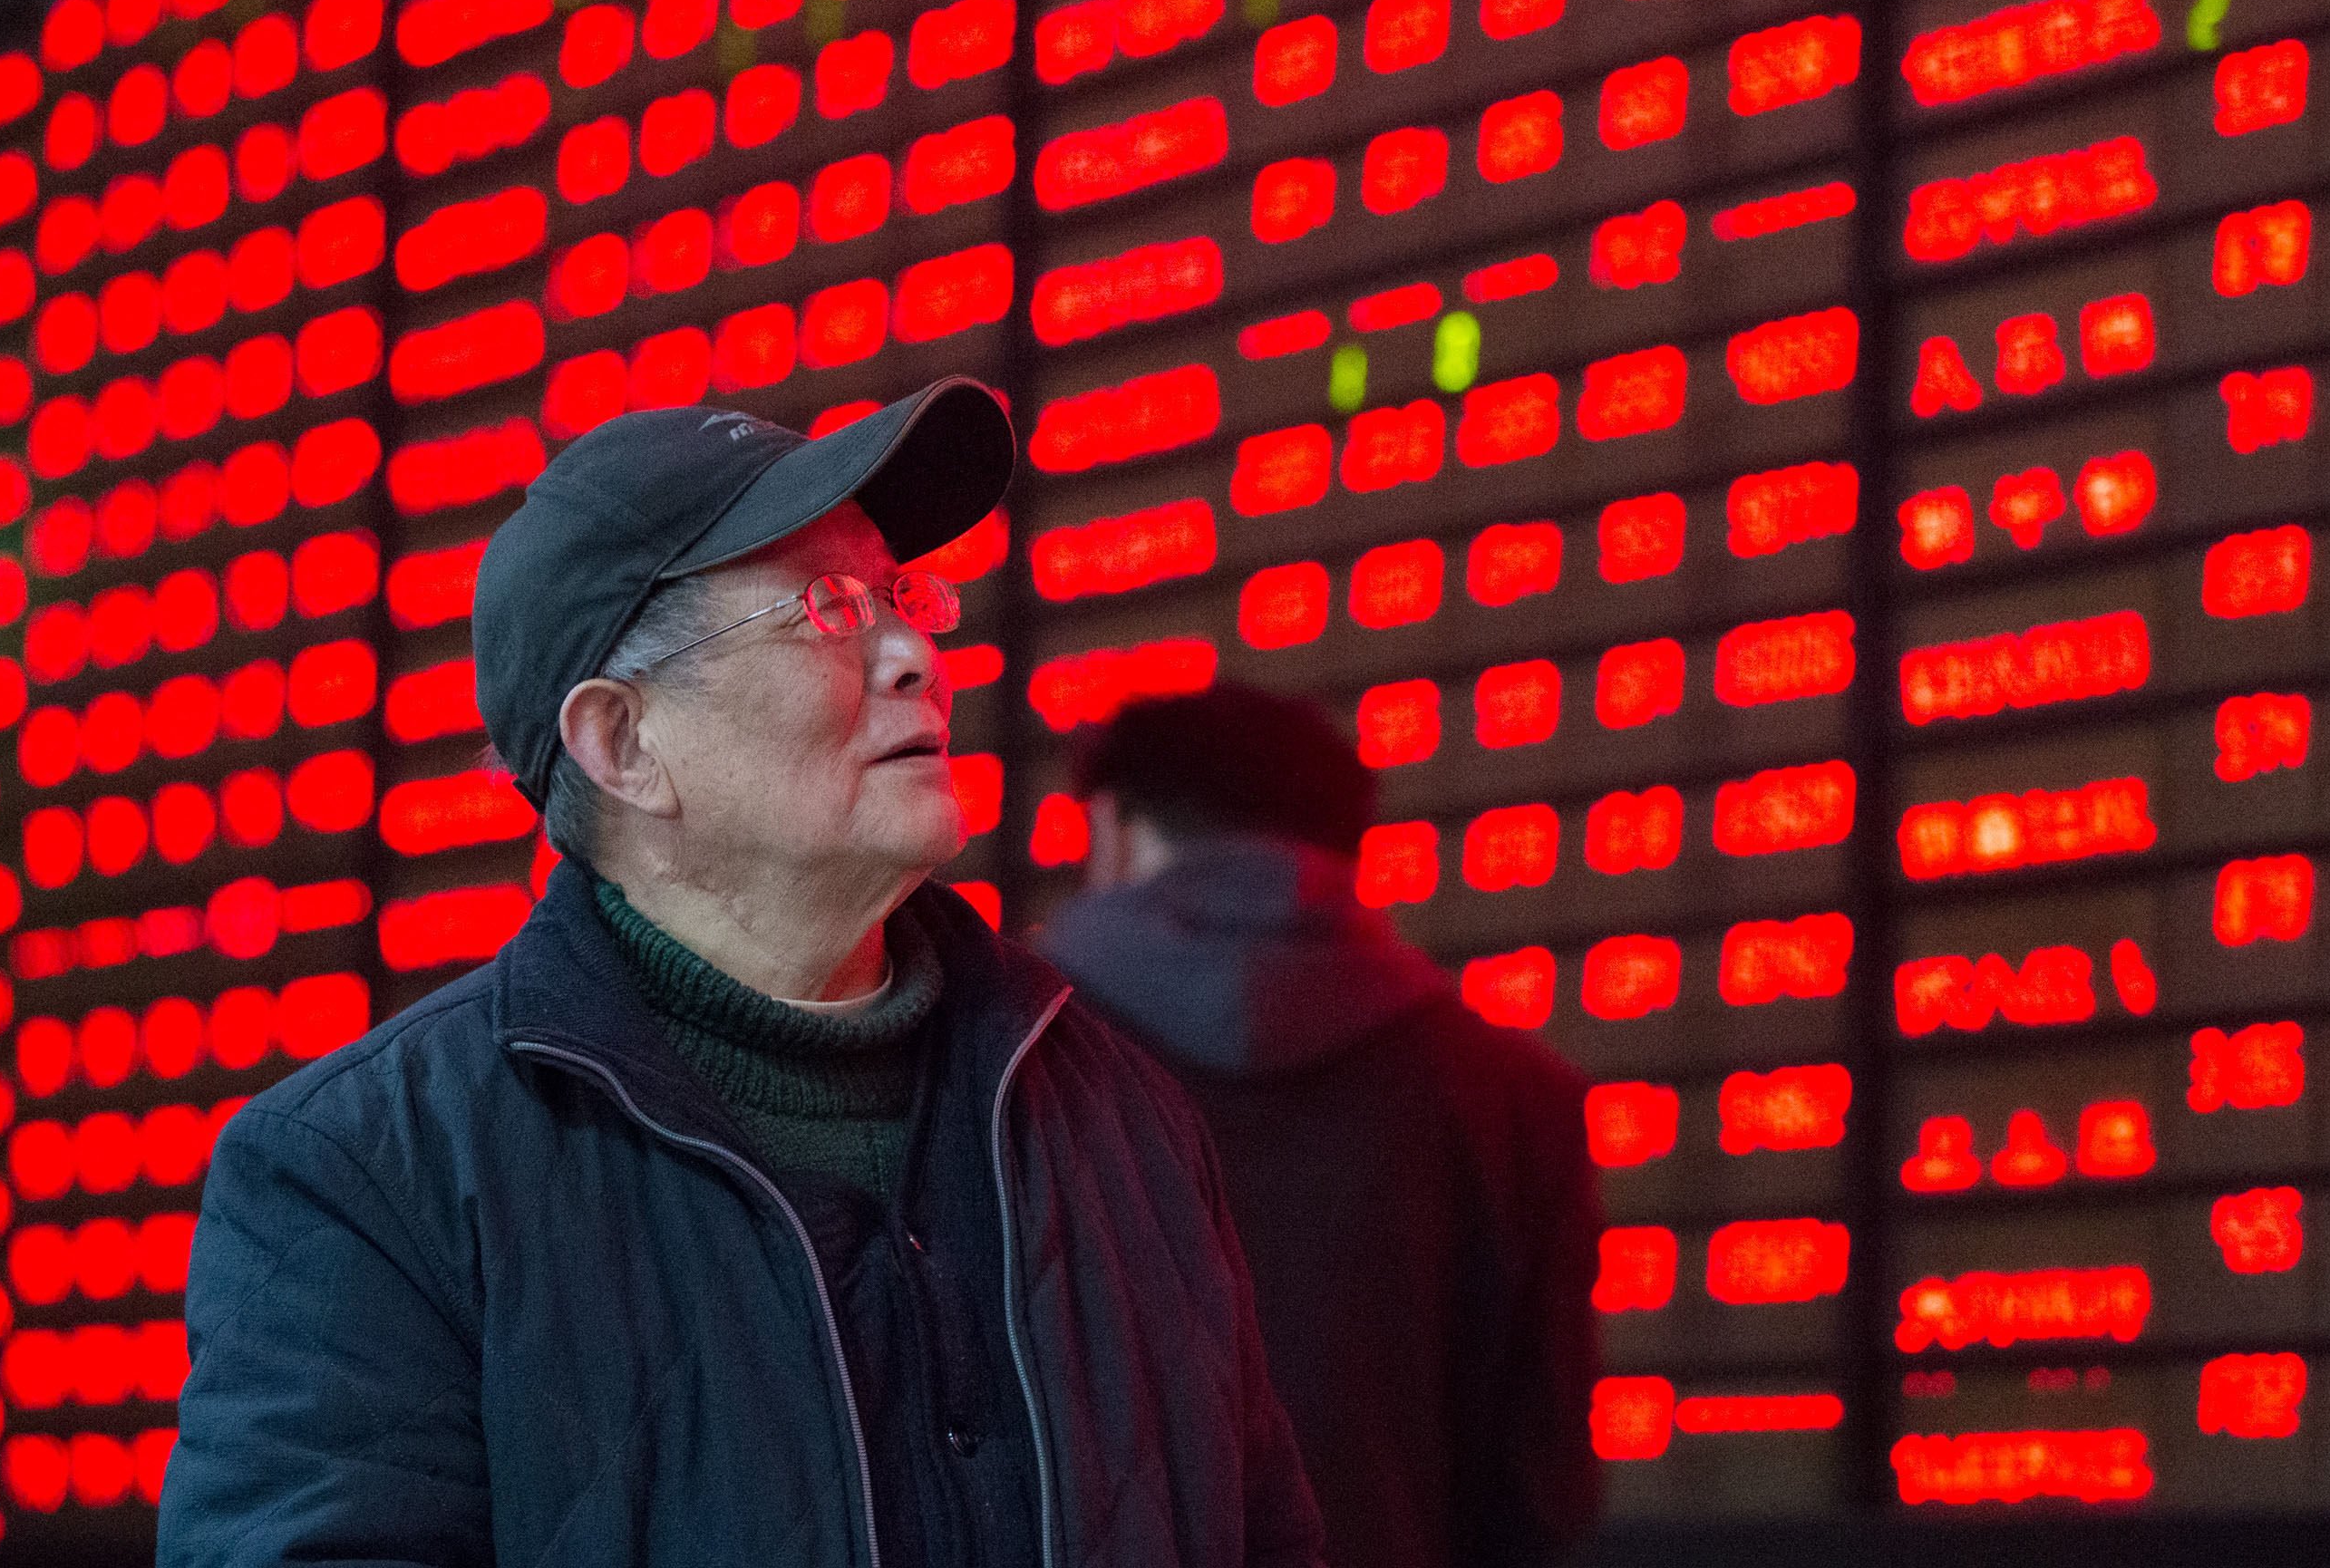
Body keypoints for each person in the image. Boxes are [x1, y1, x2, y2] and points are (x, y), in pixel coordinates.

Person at [160, 383, 1326, 1568]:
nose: (919, 654)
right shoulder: (369, 1177)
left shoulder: (1119, 1118)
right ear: (623, 744)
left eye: (903, 597)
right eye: (826, 609)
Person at [1043, 685, 1602, 1568]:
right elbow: (1544, 1491)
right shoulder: (1514, 1092)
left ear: (1112, 825)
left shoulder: (997, 1054)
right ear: (1346, 845)